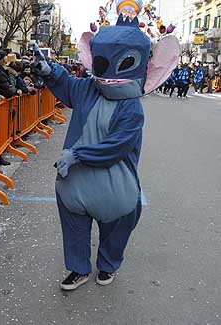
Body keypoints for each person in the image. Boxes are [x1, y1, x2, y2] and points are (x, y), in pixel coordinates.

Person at [33, 0, 179, 291]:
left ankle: (108, 263)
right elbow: (68, 86)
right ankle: (78, 268)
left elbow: (117, 145)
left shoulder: (132, 108)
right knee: (74, 227)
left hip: (114, 183)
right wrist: (50, 71)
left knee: (117, 227)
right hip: (74, 179)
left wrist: (77, 154)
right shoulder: (88, 88)